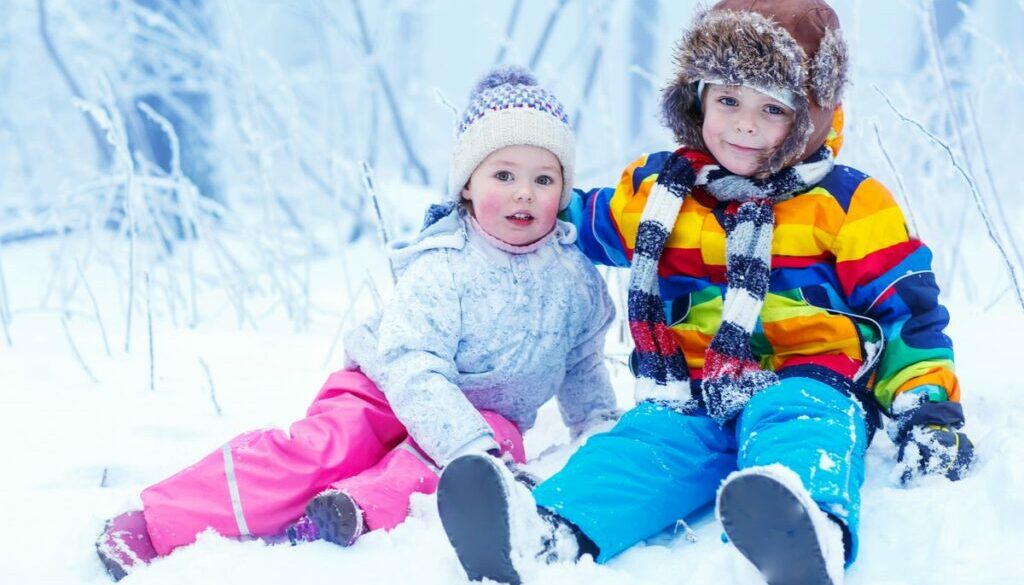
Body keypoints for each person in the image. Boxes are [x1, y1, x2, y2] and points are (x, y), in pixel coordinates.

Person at [436, 2, 976, 585]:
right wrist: (506, 204)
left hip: (814, 380)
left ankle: (802, 526)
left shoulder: (848, 203)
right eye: (728, 100)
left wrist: (928, 412)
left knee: (797, 422)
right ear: (696, 97)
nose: (744, 124)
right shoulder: (659, 193)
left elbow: (907, 314)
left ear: (812, 116)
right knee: (645, 446)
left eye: (772, 107)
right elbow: (581, 218)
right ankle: (544, 532)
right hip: (690, 389)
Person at [94, 66, 619, 581]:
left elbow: (580, 362)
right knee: (322, 450)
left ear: (564, 192)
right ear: (466, 185)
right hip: (383, 391)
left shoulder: (574, 281)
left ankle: (346, 511)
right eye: (503, 175)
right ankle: (161, 520)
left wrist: (597, 426)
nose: (524, 192)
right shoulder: (445, 264)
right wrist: (463, 439)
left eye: (543, 178)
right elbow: (412, 364)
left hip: (485, 417)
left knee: (468, 472)